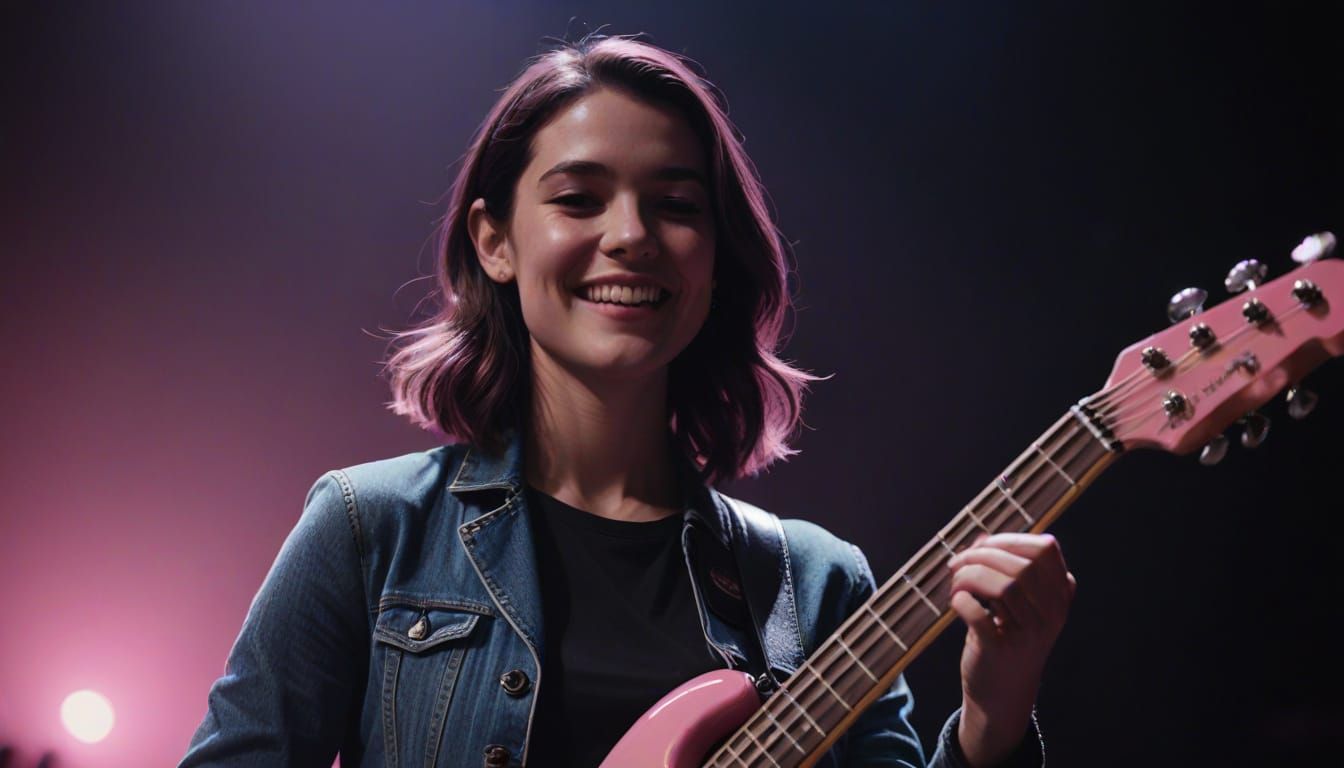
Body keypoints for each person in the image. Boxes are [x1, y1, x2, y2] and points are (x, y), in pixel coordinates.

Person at [180, 34, 1074, 768]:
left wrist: (994, 720)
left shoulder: (814, 583)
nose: (632, 236)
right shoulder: (368, 529)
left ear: (714, 257)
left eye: (676, 205)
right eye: (578, 198)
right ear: (495, 241)